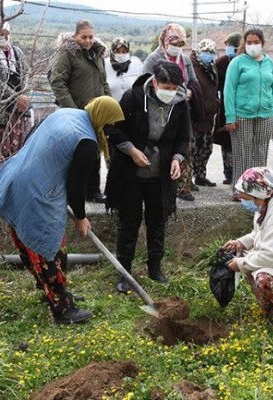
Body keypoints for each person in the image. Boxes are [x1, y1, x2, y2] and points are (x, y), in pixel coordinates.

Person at [0, 96, 124, 323]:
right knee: (50, 248)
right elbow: (75, 185)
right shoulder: (87, 141)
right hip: (35, 192)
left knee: (35, 247)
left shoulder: (67, 113)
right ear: (103, 118)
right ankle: (62, 308)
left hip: (15, 178)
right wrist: (80, 217)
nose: (111, 130)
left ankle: (53, 291)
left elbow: (32, 138)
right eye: (111, 124)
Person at [105, 61, 191, 293]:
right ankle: (124, 273)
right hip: (131, 172)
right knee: (129, 222)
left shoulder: (180, 105)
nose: (169, 91)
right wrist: (132, 151)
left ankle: (155, 268)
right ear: (154, 82)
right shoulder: (133, 97)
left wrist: (177, 158)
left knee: (157, 221)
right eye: (165, 86)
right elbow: (114, 129)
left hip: (160, 173)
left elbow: (183, 137)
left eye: (174, 87)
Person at [50, 20, 112, 204]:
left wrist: (109, 105)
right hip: (76, 113)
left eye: (91, 37)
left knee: (94, 150)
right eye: (83, 37)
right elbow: (57, 82)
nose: (87, 40)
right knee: (77, 153)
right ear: (75, 36)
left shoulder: (97, 54)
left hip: (96, 113)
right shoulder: (67, 54)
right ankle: (73, 193)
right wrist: (72, 110)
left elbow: (104, 82)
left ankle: (93, 190)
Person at [142, 23, 201, 202]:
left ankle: (183, 186)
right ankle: (159, 182)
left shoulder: (185, 59)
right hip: (158, 110)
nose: (177, 46)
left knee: (184, 145)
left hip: (181, 107)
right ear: (165, 40)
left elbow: (193, 80)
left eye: (181, 43)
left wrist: (190, 91)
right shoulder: (154, 58)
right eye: (174, 41)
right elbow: (144, 81)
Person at [223, 28, 273, 201]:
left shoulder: (269, 63)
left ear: (262, 44)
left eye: (256, 42)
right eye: (249, 42)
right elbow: (229, 90)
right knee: (242, 152)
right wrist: (230, 117)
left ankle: (257, 190)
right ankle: (240, 189)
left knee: (260, 152)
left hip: (265, 114)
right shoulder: (238, 62)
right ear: (244, 43)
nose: (253, 45)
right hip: (242, 115)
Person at [223, 167, 273, 321]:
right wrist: (241, 243)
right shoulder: (266, 206)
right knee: (246, 260)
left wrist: (241, 263)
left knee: (265, 280)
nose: (248, 202)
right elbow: (259, 234)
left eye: (249, 198)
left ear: (259, 193)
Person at [0, 15, 31, 167]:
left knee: (19, 153)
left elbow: (26, 74)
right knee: (1, 156)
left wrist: (25, 96)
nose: (3, 36)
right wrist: (17, 97)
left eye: (5, 33)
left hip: (18, 111)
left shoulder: (17, 52)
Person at [190, 38, 220, 188]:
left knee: (206, 148)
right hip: (195, 115)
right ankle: (186, 180)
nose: (209, 55)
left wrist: (216, 104)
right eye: (206, 51)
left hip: (209, 116)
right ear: (199, 51)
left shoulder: (212, 67)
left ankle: (201, 176)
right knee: (192, 149)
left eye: (211, 52)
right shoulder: (192, 66)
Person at [214, 32, 243, 185]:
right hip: (225, 108)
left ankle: (240, 172)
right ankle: (229, 173)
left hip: (243, 108)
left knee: (241, 143)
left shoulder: (244, 62)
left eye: (231, 46)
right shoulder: (221, 62)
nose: (229, 49)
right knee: (226, 142)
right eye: (227, 46)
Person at [105, 37, 143, 102]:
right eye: (117, 51)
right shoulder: (105, 65)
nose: (121, 54)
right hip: (111, 108)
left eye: (124, 52)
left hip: (131, 108)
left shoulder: (136, 65)